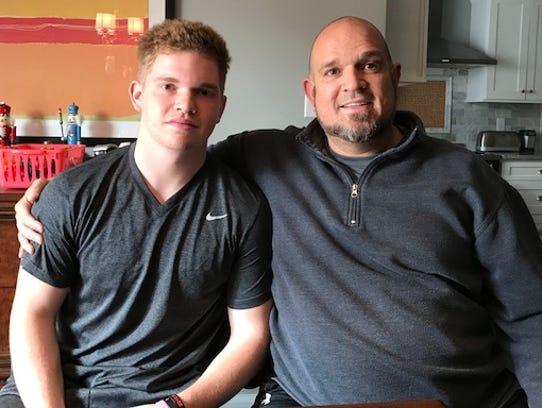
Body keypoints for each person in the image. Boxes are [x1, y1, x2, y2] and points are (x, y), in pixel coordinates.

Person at [14, 16, 542, 408]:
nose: (352, 83)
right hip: (302, 399)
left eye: (369, 65)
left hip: (457, 400)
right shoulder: (266, 158)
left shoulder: (471, 181)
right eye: (333, 71)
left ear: (394, 76)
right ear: (311, 93)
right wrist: (56, 188)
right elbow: (170, 160)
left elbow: (531, 315)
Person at [1, 18, 273, 408]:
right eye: (168, 86)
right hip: (51, 391)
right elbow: (33, 315)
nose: (185, 103)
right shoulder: (70, 194)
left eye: (204, 91)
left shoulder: (242, 208)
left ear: (221, 107)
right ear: (138, 94)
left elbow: (250, 335)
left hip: (168, 401)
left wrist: (176, 406)